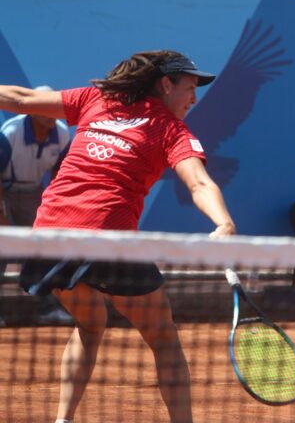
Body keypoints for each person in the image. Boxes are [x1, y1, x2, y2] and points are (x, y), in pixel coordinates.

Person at [0, 50, 237, 423]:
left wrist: (223, 221)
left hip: (47, 239)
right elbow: (198, 182)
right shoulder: (169, 130)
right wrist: (224, 223)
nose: (194, 99)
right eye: (190, 88)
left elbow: (21, 100)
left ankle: (63, 421)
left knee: (90, 325)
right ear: (165, 84)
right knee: (163, 337)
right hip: (110, 242)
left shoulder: (96, 100)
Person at [0, 85, 74, 325]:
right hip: (4, 191)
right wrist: (2, 213)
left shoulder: (62, 134)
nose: (52, 115)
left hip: (33, 193)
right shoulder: (10, 133)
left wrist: (53, 204)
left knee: (41, 251)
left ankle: (48, 308)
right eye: (46, 110)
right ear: (33, 111)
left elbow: (59, 173)